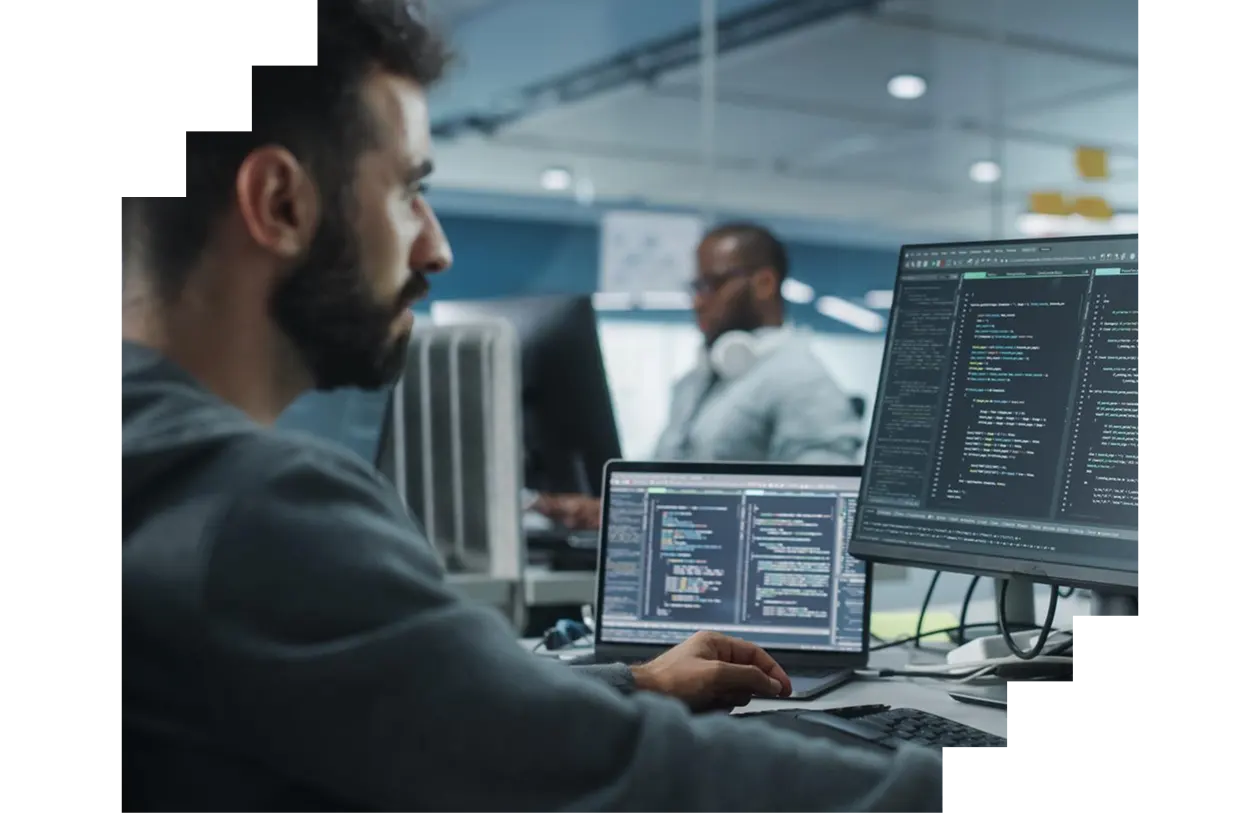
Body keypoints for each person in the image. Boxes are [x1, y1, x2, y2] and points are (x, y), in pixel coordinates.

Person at [119, 2, 942, 811]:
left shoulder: (156, 475)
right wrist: (989, 783)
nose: (436, 245)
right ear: (279, 202)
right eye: (409, 191)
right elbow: (610, 773)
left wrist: (636, 679)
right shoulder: (254, 511)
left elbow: (447, 710)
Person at [534, 222, 866, 531]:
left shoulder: (802, 383)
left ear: (764, 283)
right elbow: (662, 487)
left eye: (712, 284)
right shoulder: (696, 382)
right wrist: (610, 509)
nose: (698, 300)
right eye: (695, 286)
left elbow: (819, 515)